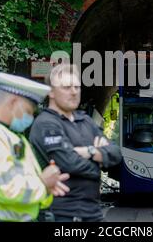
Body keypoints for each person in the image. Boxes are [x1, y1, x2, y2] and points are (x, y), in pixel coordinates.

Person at [0, 72, 70, 222]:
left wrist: (47, 188)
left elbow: (35, 194)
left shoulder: (17, 139)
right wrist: (43, 183)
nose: (30, 117)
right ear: (13, 102)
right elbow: (7, 189)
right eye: (28, 111)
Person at [29, 64, 122, 222]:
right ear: (51, 91)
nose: (74, 92)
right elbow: (69, 163)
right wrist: (99, 160)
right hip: (61, 215)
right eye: (66, 87)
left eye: (77, 87)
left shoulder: (85, 120)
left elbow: (117, 155)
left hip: (93, 213)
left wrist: (89, 152)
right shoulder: (45, 123)